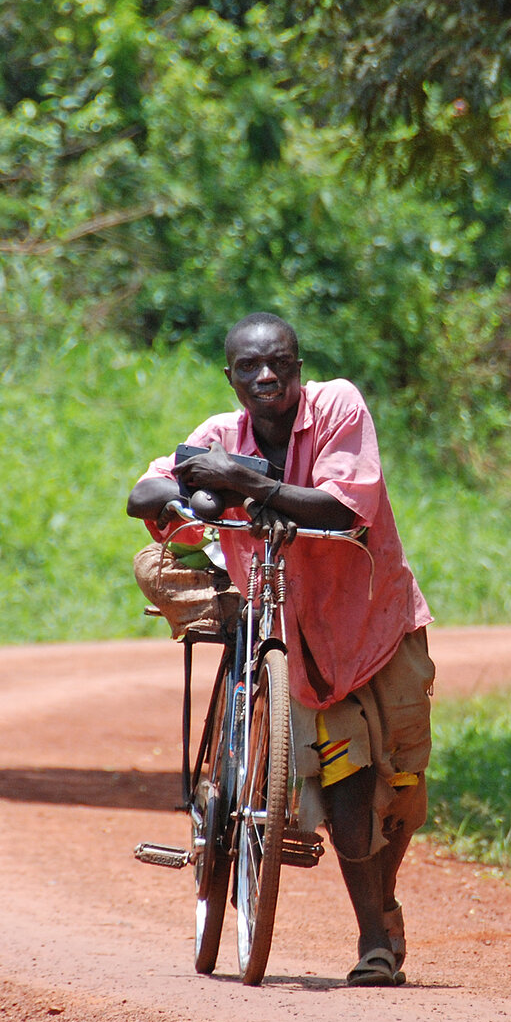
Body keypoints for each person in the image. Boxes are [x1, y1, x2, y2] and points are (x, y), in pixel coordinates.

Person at [127, 312, 435, 987]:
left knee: (401, 793)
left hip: (370, 625)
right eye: (249, 367)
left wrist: (255, 486)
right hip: (288, 631)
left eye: (280, 365)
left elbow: (345, 504)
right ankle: (375, 940)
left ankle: (382, 911)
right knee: (350, 797)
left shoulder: (338, 407)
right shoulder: (219, 435)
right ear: (230, 376)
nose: (266, 376)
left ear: (299, 367)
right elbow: (142, 493)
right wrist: (203, 486)